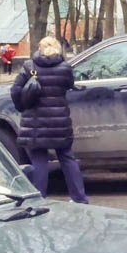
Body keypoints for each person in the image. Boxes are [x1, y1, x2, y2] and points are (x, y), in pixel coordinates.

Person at [12, 35, 88, 203]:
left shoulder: (29, 67)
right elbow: (69, 85)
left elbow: (15, 90)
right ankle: (79, 198)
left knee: (39, 160)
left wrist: (22, 106)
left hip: (35, 124)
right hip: (60, 122)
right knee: (67, 158)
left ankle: (39, 199)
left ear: (40, 48)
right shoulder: (65, 68)